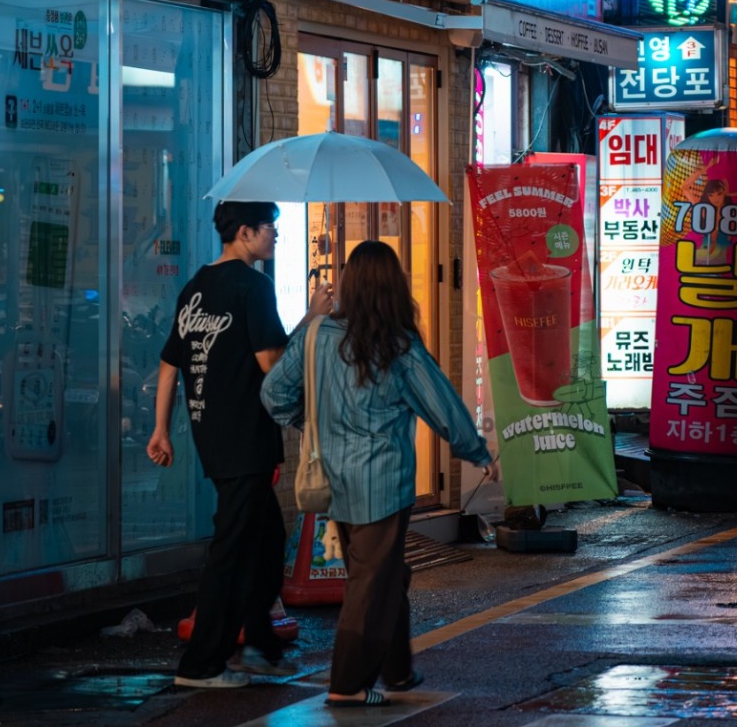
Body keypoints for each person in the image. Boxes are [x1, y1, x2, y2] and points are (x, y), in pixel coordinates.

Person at [261, 239, 498, 708]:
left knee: (384, 575)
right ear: (393, 287)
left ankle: (398, 669)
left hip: (334, 481)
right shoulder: (397, 345)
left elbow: (273, 395)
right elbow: (442, 405)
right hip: (383, 484)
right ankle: (347, 683)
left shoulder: (317, 337)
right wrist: (475, 450)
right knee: (371, 583)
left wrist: (309, 422)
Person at [147, 199, 332, 689]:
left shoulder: (196, 288)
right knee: (231, 548)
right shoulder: (253, 286)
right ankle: (202, 664)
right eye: (271, 229)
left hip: (212, 434)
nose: (276, 237)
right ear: (246, 233)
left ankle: (260, 647)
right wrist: (312, 319)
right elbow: (274, 364)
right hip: (245, 436)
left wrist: (161, 429)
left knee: (268, 540)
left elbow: (170, 365)